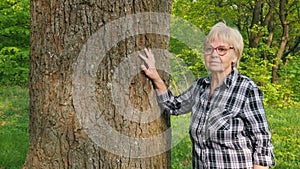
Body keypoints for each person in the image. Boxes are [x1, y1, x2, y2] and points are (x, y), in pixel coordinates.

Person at [139, 22, 276, 169]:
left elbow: (262, 141)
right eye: (209, 49)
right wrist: (155, 77)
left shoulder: (246, 89)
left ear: (235, 55)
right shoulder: (200, 86)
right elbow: (174, 106)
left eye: (221, 49)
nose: (214, 54)